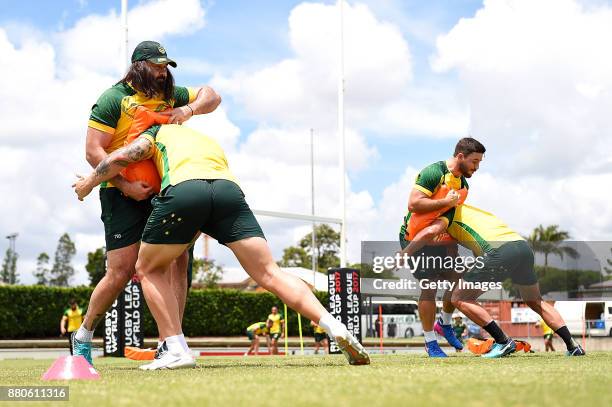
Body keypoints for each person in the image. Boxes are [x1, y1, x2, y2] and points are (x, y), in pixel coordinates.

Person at [73, 119, 370, 369]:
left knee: (147, 268)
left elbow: (122, 157)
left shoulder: (156, 133)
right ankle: (335, 326)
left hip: (185, 190)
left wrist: (88, 183)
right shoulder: (205, 140)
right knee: (269, 272)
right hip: (228, 192)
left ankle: (174, 348)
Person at [71, 40, 222, 366]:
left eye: (165, 66)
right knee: (121, 271)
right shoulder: (113, 99)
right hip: (121, 192)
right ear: (139, 66)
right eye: (155, 66)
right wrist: (125, 184)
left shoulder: (171, 94)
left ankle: (173, 344)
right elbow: (93, 150)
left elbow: (212, 94)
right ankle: (83, 334)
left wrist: (188, 109)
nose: (161, 71)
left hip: (165, 191)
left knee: (179, 260)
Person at [404, 204, 585, 358]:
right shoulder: (472, 211)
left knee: (459, 298)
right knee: (536, 301)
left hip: (500, 252)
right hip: (522, 247)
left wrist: (406, 252)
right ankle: (573, 346)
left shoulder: (447, 214)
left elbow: (432, 231)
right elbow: (477, 249)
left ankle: (503, 341)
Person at [397, 137, 485, 357]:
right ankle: (430, 342)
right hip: (414, 238)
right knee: (430, 286)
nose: (476, 167)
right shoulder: (433, 172)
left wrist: (452, 248)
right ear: (460, 157)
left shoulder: (464, 186)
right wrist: (445, 201)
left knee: (459, 280)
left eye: (479, 163)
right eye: (474, 162)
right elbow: (413, 204)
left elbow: (448, 219)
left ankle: (444, 324)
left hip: (440, 238)